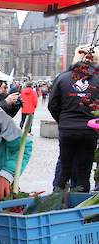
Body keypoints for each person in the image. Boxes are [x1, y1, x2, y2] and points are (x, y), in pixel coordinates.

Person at [48, 45, 99, 193]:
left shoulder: (62, 77)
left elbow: (53, 105)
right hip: (89, 131)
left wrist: (62, 120)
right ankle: (79, 207)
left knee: (65, 168)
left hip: (67, 130)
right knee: (84, 171)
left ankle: (57, 202)